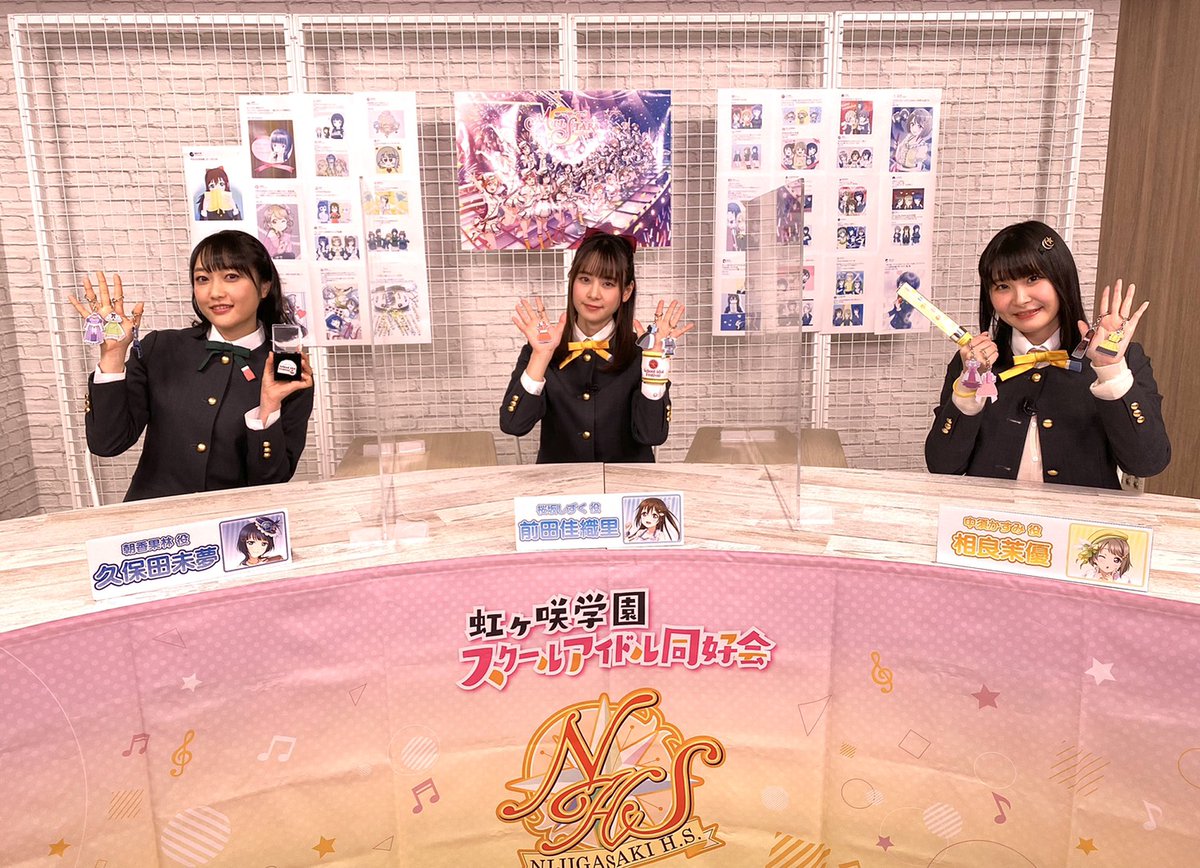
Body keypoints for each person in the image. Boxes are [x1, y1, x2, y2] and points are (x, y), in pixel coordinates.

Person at [72, 230, 315, 501]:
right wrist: (113, 356)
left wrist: (268, 408)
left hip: (236, 521)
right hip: (157, 518)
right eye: (202, 279)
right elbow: (107, 444)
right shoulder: (160, 348)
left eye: (231, 277)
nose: (215, 293)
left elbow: (272, 480)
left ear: (265, 287)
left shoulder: (287, 370)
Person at [925, 220, 1169, 489]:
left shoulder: (1123, 360)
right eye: (1002, 286)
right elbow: (943, 466)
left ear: (1061, 278)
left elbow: (1148, 463)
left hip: (1081, 517)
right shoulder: (973, 365)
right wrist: (970, 385)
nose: (1020, 299)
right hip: (992, 515)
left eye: (1033, 278)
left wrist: (1110, 369)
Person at [500, 230, 693, 463]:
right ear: (572, 281)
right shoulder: (541, 348)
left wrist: (654, 366)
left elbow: (652, 435)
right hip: (562, 483)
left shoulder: (642, 353)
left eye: (608, 283)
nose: (593, 294)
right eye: (585, 279)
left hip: (625, 483)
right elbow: (513, 425)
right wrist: (542, 356)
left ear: (626, 291)